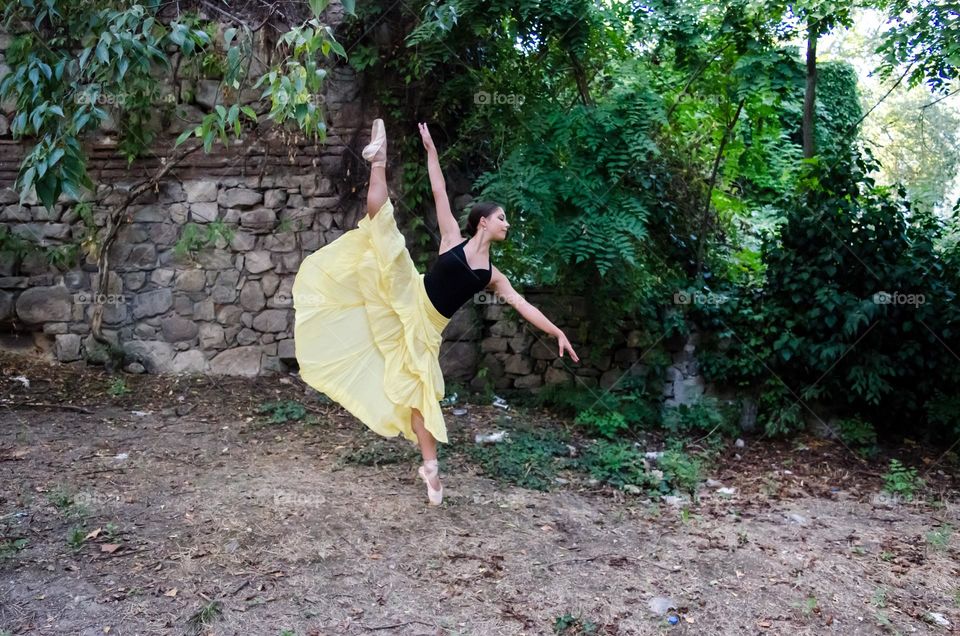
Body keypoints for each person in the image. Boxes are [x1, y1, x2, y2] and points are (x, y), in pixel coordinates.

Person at [292, 119, 579, 506]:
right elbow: (439, 189)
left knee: (419, 398)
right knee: (380, 224)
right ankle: (379, 160)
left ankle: (431, 470)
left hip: (427, 329)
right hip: (409, 293)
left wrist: (556, 331)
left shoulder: (494, 276)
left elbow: (524, 305)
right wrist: (430, 151)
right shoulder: (451, 239)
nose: (507, 224)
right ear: (483, 221)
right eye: (502, 218)